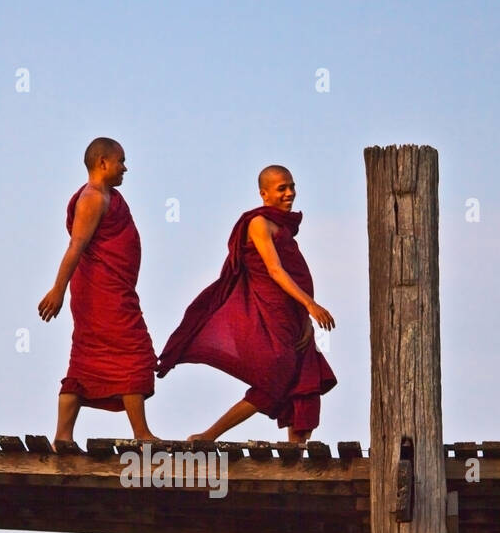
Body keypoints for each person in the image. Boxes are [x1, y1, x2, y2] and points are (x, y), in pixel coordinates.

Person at [156, 166, 337, 443]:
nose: (290, 193)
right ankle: (208, 436)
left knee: (305, 383)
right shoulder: (258, 223)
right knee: (275, 378)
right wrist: (312, 305)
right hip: (272, 315)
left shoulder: (284, 228)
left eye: (292, 186)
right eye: (282, 188)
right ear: (264, 193)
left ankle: (296, 452)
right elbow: (275, 271)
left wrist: (306, 319)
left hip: (295, 319)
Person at [38, 138, 157, 444]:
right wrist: (57, 289)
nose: (125, 168)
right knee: (134, 350)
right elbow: (76, 245)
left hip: (113, 288)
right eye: (121, 161)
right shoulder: (92, 197)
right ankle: (141, 433)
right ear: (103, 162)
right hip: (102, 292)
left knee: (85, 357)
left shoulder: (109, 196)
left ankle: (63, 437)